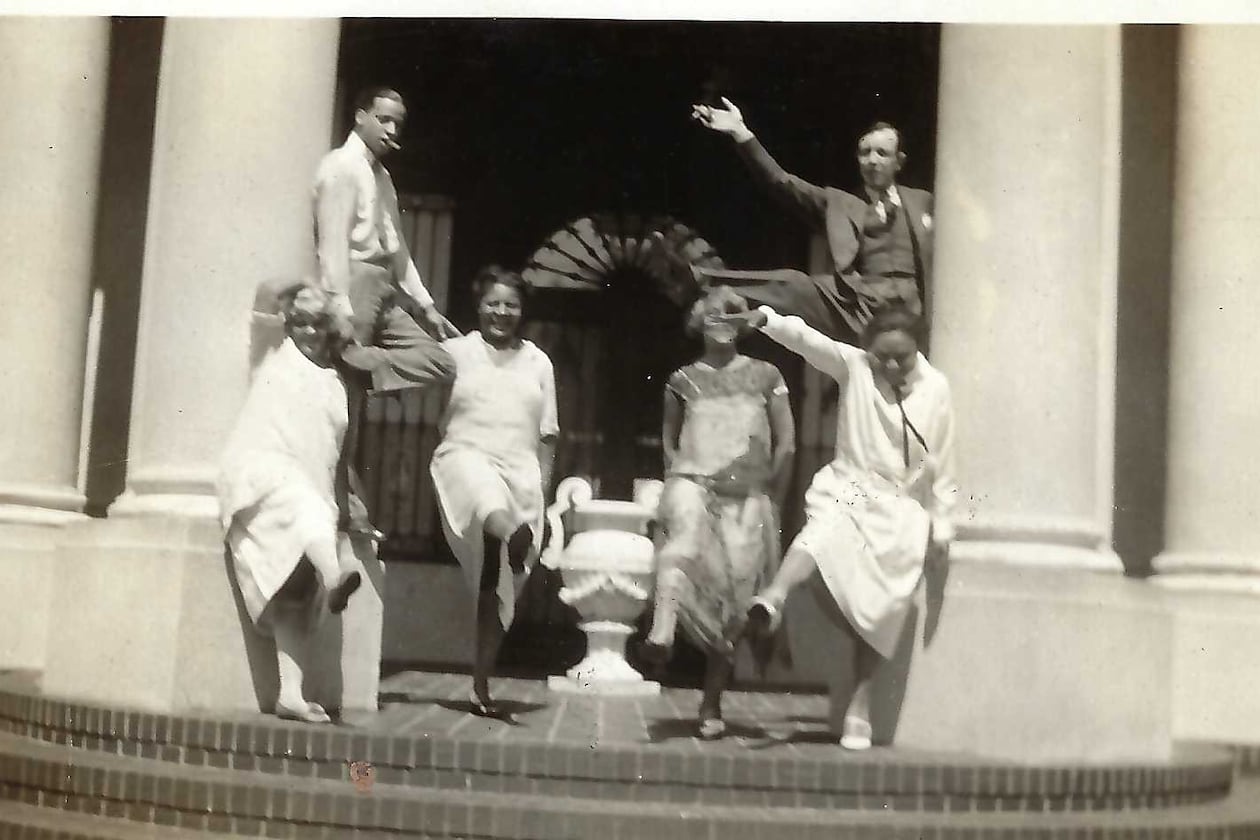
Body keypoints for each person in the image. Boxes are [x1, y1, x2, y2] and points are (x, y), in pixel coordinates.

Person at [721, 302, 956, 750]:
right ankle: (774, 597)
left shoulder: (937, 389)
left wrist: (942, 527)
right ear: (867, 349)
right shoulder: (853, 366)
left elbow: (943, 464)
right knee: (822, 530)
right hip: (850, 483)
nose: (888, 364)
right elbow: (809, 341)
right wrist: (767, 321)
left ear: (919, 351)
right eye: (880, 354)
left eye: (900, 357)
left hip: (900, 507)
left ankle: (859, 705)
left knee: (884, 607)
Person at [640, 286, 795, 740]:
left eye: (732, 315)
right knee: (682, 541)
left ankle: (712, 702)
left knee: (734, 601)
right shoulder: (682, 379)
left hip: (748, 497)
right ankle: (662, 631)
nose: (723, 322)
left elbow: (786, 441)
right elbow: (670, 439)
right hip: (694, 483)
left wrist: (772, 494)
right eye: (713, 315)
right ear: (698, 323)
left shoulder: (767, 375)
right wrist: (678, 478)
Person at [313, 85, 460, 535]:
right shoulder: (340, 168)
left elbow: (398, 251)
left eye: (399, 123)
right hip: (354, 283)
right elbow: (333, 244)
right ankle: (345, 511)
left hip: (384, 288)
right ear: (360, 117)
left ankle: (362, 364)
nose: (392, 130)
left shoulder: (382, 177)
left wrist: (428, 308)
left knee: (441, 360)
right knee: (347, 413)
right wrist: (338, 306)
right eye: (384, 120)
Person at [218, 282, 364, 725]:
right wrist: (297, 290)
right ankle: (336, 575)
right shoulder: (272, 354)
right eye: (299, 322)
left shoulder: (338, 385)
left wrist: (347, 509)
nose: (308, 332)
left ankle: (291, 695)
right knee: (305, 509)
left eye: (317, 323)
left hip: (307, 490)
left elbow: (337, 457)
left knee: (295, 589)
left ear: (329, 328)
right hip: (259, 478)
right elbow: (263, 299)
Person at [676, 98, 934, 343]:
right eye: (865, 153)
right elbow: (781, 182)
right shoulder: (838, 203)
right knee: (794, 283)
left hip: (913, 309)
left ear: (899, 161)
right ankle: (700, 278)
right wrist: (740, 132)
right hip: (860, 306)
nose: (872, 160)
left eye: (882, 153)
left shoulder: (925, 202)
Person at [429, 266, 558, 718]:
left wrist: (542, 488)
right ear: (478, 304)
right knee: (486, 498)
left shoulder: (539, 362)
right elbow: (406, 368)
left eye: (511, 304)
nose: (501, 312)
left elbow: (547, 435)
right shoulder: (453, 352)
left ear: (522, 311)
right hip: (465, 456)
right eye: (493, 302)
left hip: (520, 471)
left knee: (499, 587)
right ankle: (509, 530)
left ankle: (480, 684)